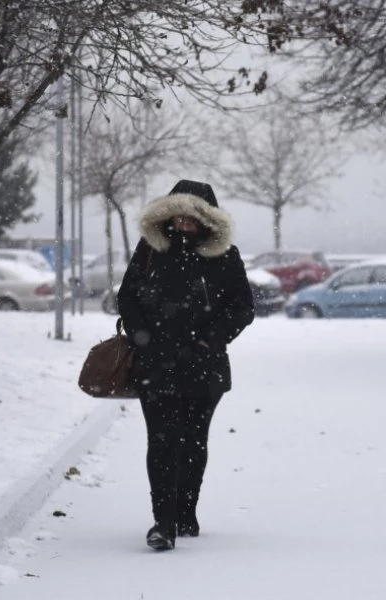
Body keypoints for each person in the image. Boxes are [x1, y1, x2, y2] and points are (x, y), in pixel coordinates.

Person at [116, 180, 255, 551]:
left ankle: (185, 510)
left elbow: (242, 307)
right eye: (176, 216)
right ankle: (162, 522)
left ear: (206, 220)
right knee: (162, 442)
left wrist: (212, 338)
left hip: (203, 366)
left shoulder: (224, 256)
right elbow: (127, 298)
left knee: (193, 442)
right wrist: (143, 336)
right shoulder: (149, 251)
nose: (182, 224)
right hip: (156, 364)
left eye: (191, 218)